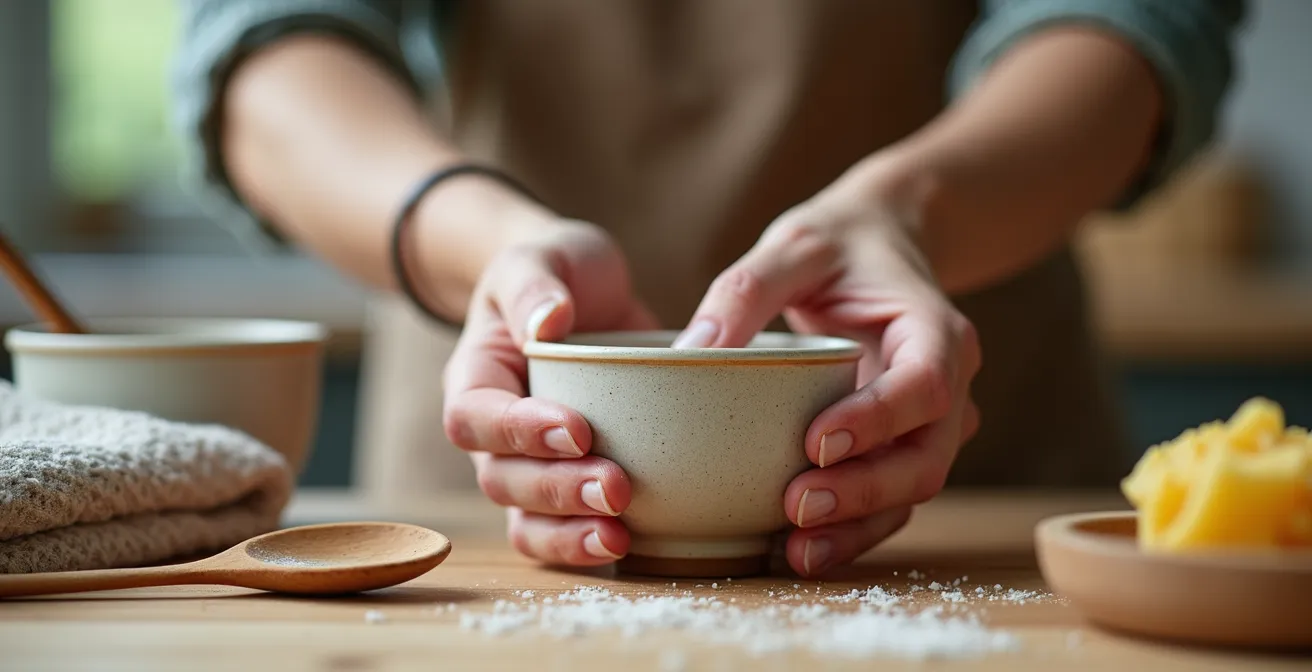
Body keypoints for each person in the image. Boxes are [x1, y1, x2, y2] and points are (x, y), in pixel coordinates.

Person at [172, 0, 1242, 576]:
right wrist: (486, 242)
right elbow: (265, 39)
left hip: (968, 487)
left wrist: (914, 211)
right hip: (498, 502)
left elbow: (1144, 19)